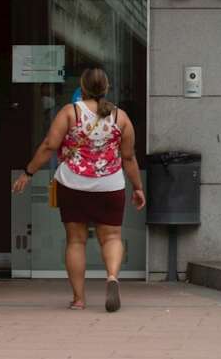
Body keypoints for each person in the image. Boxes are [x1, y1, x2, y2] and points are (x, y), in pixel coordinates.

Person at [12, 68, 146, 312]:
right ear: (106, 88)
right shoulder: (121, 118)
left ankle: (79, 299)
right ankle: (112, 277)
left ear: (82, 88)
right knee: (112, 237)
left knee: (76, 241)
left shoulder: (69, 112)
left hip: (73, 183)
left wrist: (28, 172)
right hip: (110, 184)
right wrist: (138, 187)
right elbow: (128, 157)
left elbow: (49, 145)